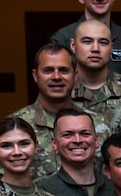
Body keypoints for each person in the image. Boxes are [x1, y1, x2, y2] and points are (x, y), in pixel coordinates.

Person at [10, 43, 79, 178]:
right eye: (48, 70)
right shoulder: (15, 126)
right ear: (35, 76)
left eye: (64, 70)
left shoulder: (97, 124)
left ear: (75, 75)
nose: (56, 77)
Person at [68, 17, 121, 135]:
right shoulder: (62, 88)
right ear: (73, 45)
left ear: (111, 48)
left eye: (103, 43)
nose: (95, 49)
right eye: (87, 41)